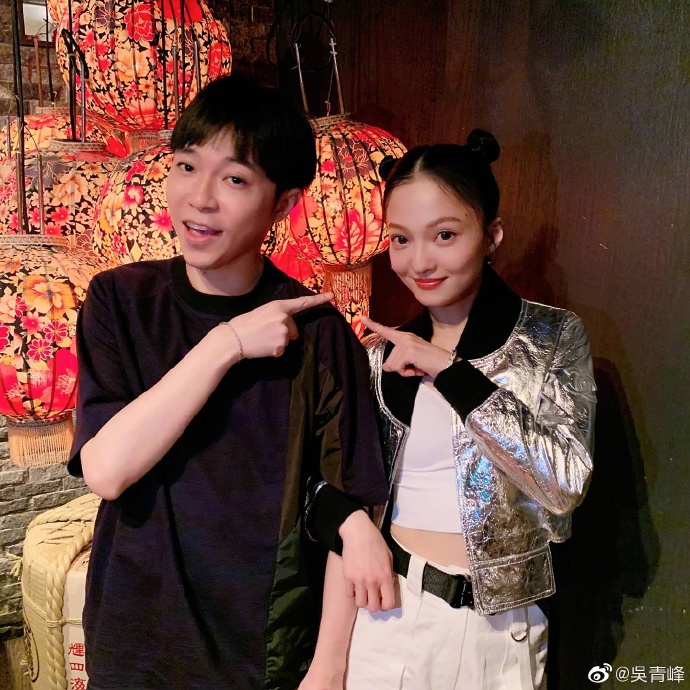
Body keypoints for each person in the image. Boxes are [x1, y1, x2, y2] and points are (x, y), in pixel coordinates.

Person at [67, 74, 394, 690]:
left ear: (284, 204)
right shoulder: (120, 301)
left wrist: (329, 668)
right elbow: (106, 471)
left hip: (262, 655)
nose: (200, 198)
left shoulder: (319, 333)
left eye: (235, 179)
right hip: (135, 645)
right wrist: (227, 345)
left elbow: (350, 504)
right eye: (187, 167)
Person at [301, 130, 596, 690]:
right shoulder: (381, 357)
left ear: (492, 236)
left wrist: (450, 371)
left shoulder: (552, 336)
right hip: (388, 615)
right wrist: (327, 664)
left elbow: (563, 483)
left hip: (500, 630)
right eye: (400, 239)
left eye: (444, 235)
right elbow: (330, 489)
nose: (419, 261)